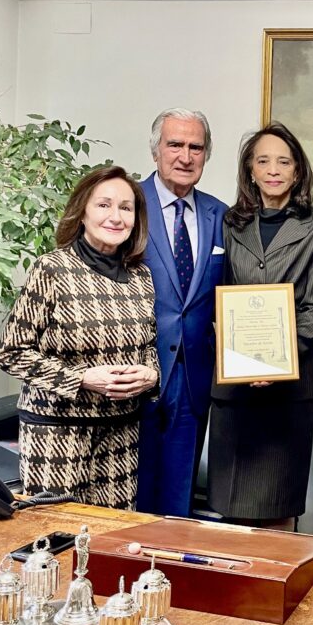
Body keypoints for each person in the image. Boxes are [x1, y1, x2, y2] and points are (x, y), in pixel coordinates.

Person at [0, 166, 160, 510]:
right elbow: (11, 352)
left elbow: (147, 346)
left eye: (126, 208)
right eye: (104, 205)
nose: (115, 217)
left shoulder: (141, 276)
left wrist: (151, 374)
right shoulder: (51, 269)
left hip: (121, 434)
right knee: (55, 538)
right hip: (57, 434)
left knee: (108, 543)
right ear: (82, 212)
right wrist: (81, 378)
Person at [208, 122, 313, 530]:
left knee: (278, 508)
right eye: (263, 160)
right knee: (229, 509)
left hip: (287, 389)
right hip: (233, 390)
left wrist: (270, 361)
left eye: (284, 161)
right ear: (250, 169)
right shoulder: (228, 223)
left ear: (298, 170)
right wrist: (243, 359)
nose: (274, 169)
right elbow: (217, 294)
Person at [137, 108, 227, 517]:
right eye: (175, 144)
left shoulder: (221, 215)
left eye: (196, 147)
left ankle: (166, 577)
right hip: (134, 373)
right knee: (128, 492)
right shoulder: (126, 204)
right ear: (156, 150)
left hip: (193, 378)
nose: (185, 156)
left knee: (178, 500)